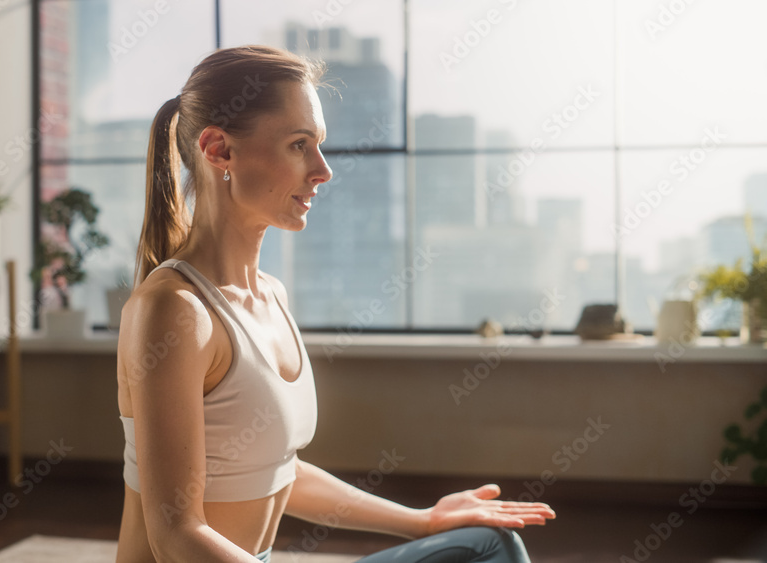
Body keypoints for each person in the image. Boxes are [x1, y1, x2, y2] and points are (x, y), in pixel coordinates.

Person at [115, 45, 555, 563]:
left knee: (489, 544)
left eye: (318, 145)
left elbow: (279, 469)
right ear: (219, 150)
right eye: (299, 145)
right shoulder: (173, 309)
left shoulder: (271, 295)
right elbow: (176, 535)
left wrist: (423, 520)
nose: (322, 170)